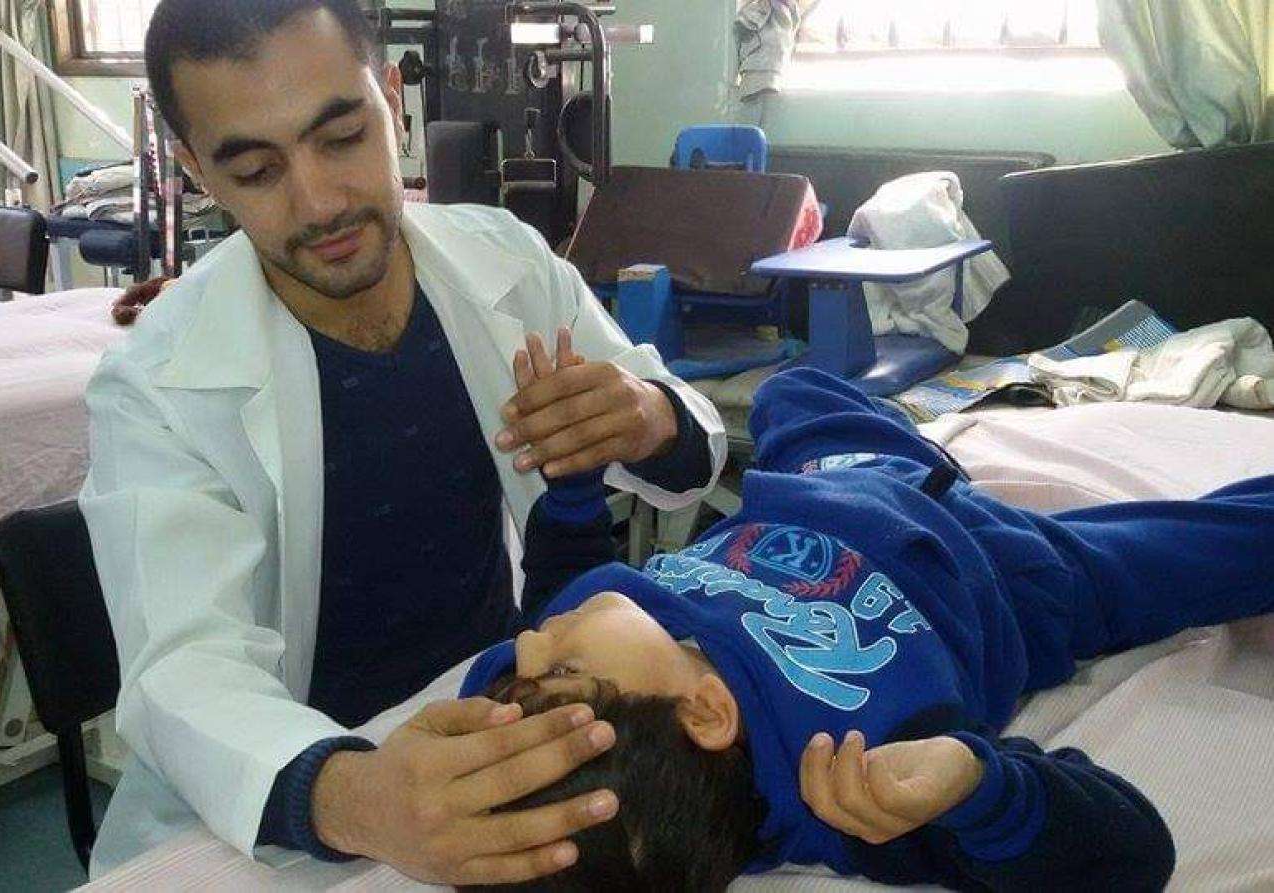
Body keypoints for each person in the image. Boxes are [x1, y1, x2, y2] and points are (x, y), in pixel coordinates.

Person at [79, 0, 725, 883]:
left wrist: (648, 415)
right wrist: (356, 796)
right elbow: (185, 669)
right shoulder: (156, 387)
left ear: (392, 100)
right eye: (257, 169)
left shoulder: (506, 261)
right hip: (283, 803)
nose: (319, 202)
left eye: (342, 137)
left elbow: (689, 434)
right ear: (196, 170)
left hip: (504, 716)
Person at [457, 361, 1274, 891]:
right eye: (555, 670)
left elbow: (553, 594)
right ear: (705, 711)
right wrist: (978, 786)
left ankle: (925, 449)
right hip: (1008, 576)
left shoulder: (593, 636)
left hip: (836, 479)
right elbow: (1132, 851)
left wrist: (569, 491)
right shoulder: (849, 772)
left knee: (788, 387)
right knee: (1221, 550)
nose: (530, 642)